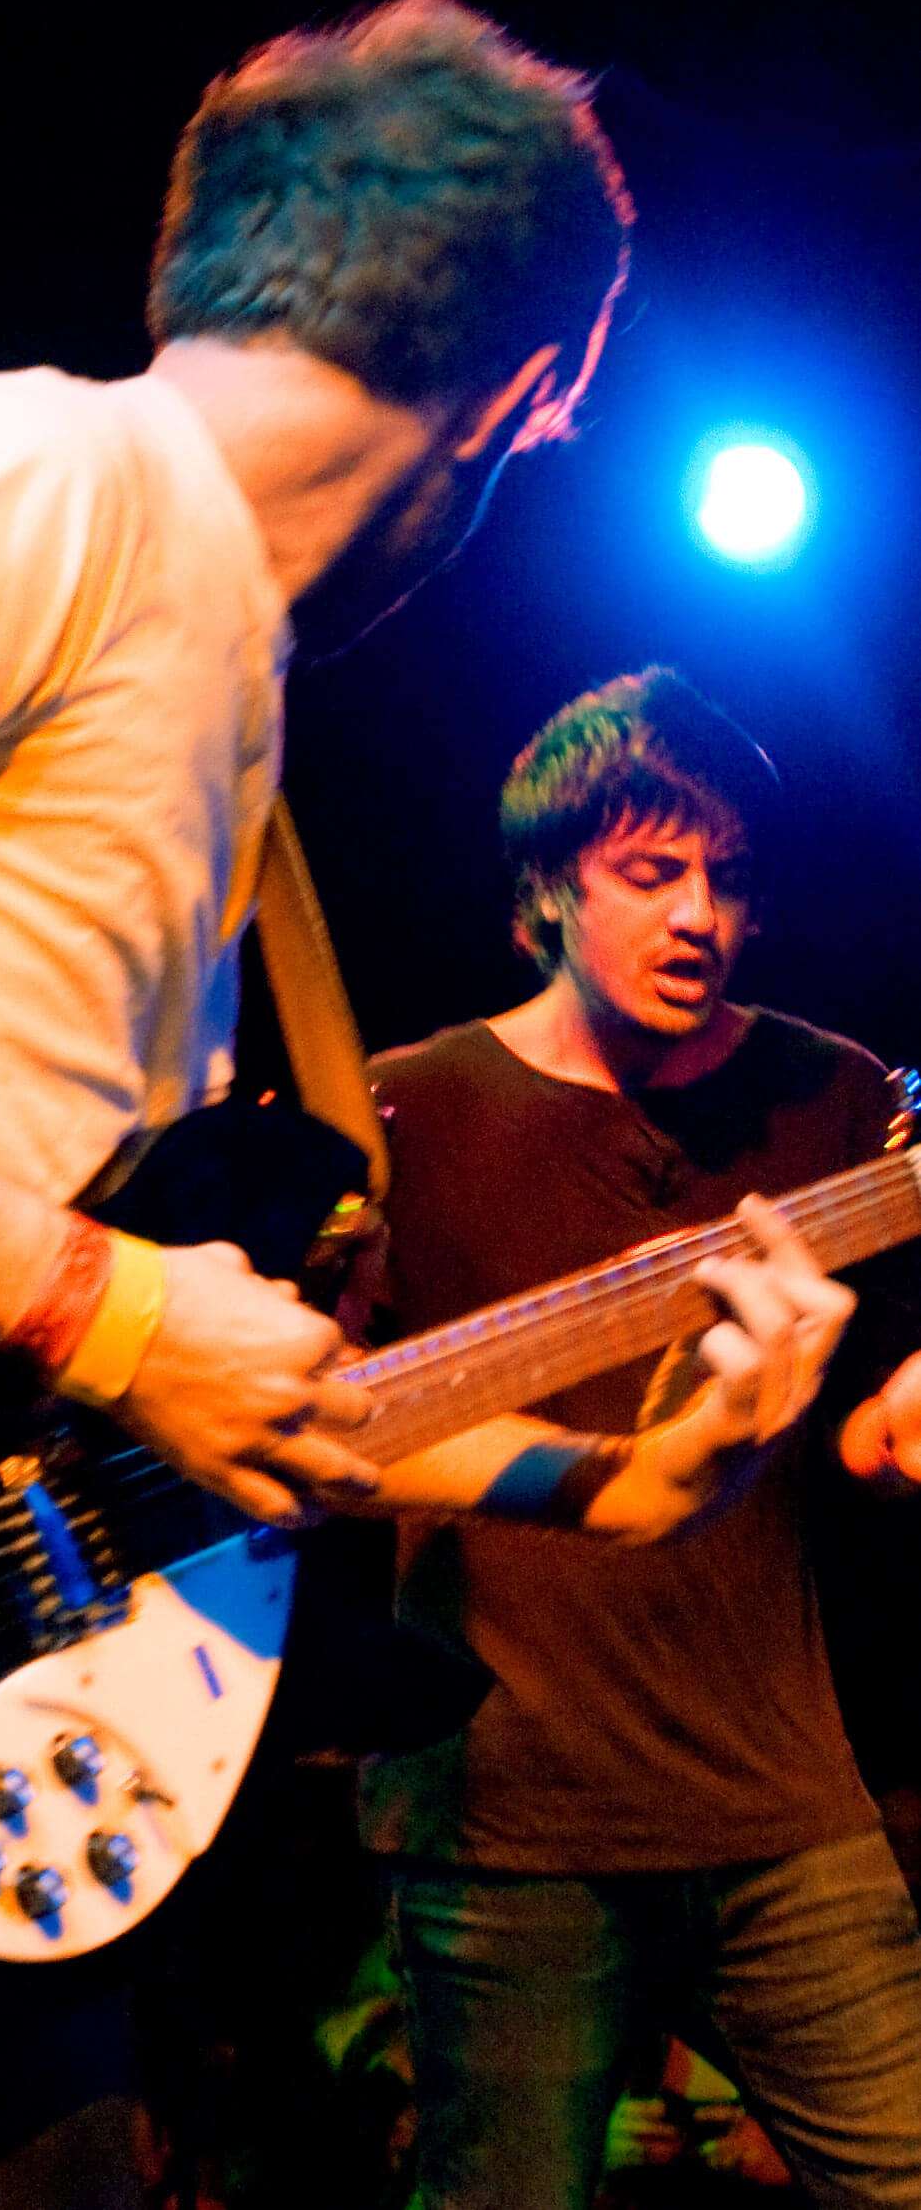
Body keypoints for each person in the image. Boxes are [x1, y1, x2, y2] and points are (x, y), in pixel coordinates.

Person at [0, 0, 848, 2210]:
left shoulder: (217, 678)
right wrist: (98, 1309)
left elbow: (173, 1371)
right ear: (530, 383)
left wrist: (611, 1481)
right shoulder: (37, 474)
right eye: (562, 408)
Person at [355, 667, 921, 2209]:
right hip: (508, 1823)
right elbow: (319, 1434)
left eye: (727, 880)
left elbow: (887, 1386)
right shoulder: (402, 1113)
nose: (698, 919)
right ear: (544, 890)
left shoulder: (835, 1095)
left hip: (782, 1803)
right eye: (648, 873)